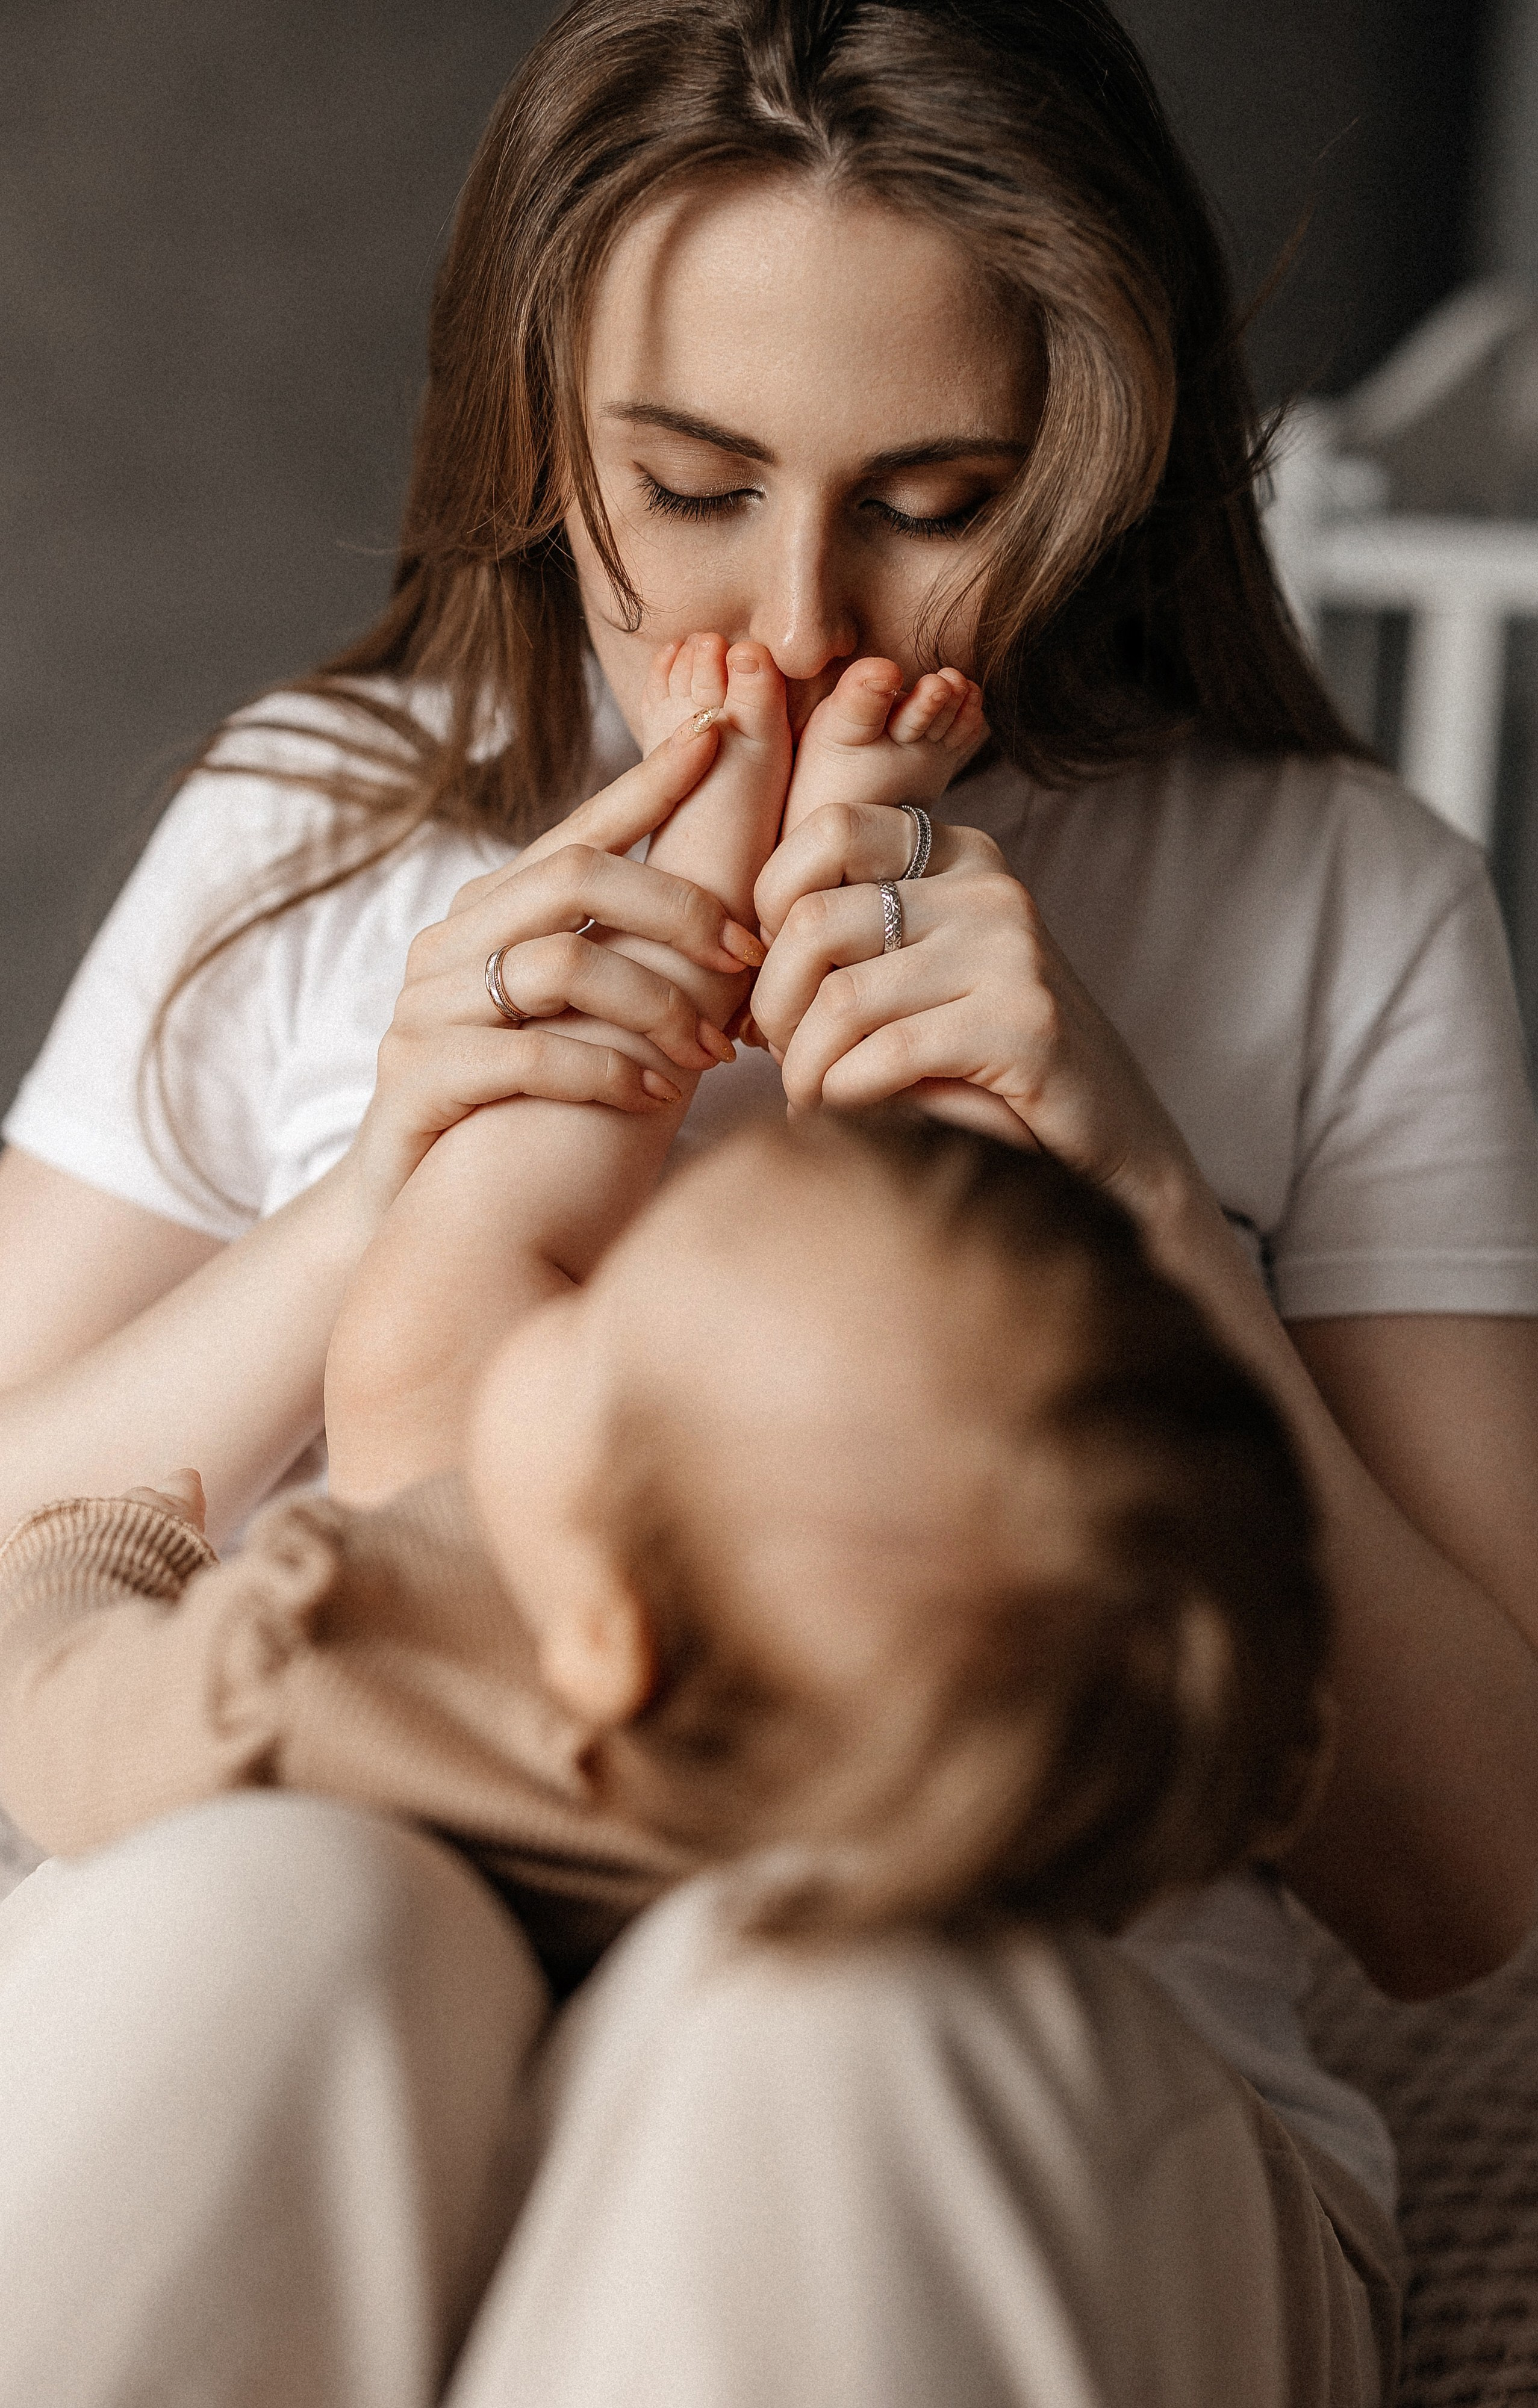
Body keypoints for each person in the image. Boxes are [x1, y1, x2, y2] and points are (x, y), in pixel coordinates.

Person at [0, 0, 1536, 2398]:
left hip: (1042, 2032)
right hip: (350, 1930)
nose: (799, 620)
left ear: (1094, 461)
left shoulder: (1338, 899)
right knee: (267, 1912)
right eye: (694, 485)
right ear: (542, 433)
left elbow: (1460, 1887)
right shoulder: (314, 823)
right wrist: (379, 1184)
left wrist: (1137, 1198)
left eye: (932, 501)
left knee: (825, 2004)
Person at [0, 1109, 1330, 1982]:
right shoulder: (968, 1809)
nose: (548, 1306)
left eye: (591, 1324)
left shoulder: (323, 1665)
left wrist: (107, 1553)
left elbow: (57, 1712)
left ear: (604, 1636)